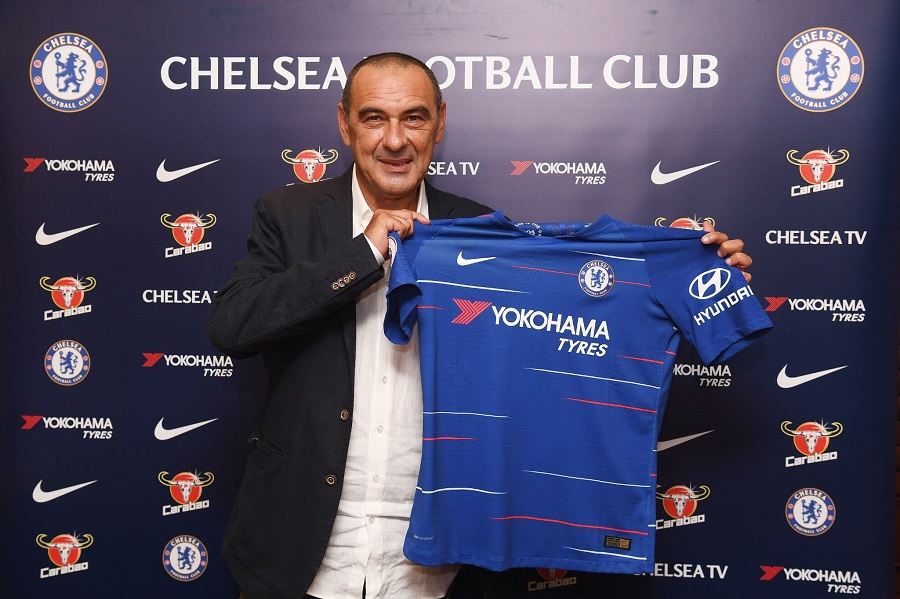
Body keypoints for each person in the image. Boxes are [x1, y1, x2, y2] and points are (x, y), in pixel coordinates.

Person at [208, 52, 752, 599]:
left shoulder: (481, 228)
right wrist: (363, 253)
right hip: (301, 545)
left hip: (439, 554)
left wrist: (699, 278)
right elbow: (233, 326)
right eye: (374, 118)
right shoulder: (287, 213)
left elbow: (565, 324)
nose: (395, 140)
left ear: (440, 122)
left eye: (414, 118)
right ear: (344, 124)